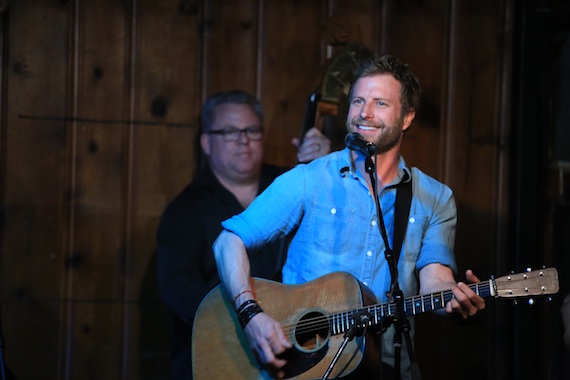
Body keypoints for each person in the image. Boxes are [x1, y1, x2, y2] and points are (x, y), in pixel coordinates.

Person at [212, 54, 486, 379]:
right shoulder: (310, 179)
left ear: (407, 117)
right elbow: (229, 240)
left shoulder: (435, 197)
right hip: (303, 366)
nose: (364, 113)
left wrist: (455, 299)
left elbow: (434, 282)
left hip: (381, 367)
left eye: (380, 103)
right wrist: (251, 315)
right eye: (358, 100)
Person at [156, 90, 330, 380]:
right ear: (206, 143)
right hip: (223, 359)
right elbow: (178, 291)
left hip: (297, 359)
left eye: (251, 130)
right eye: (229, 132)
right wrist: (249, 316)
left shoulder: (294, 187)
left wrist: (326, 170)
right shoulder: (183, 211)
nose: (243, 140)